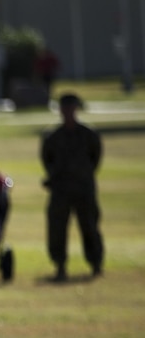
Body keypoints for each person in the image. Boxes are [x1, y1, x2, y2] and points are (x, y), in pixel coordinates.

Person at [41, 92, 104, 282]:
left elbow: (95, 157)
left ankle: (95, 263)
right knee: (57, 229)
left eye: (71, 109)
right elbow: (47, 159)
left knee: (90, 226)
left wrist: (83, 175)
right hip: (60, 189)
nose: (68, 113)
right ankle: (60, 265)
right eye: (64, 109)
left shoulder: (88, 135)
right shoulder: (53, 137)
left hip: (84, 189)